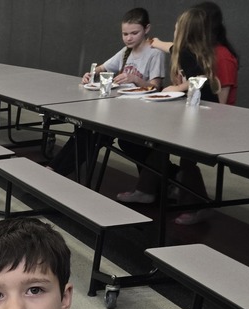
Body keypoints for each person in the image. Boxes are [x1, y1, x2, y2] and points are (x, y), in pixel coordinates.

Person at [116, 7, 223, 224]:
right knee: (158, 147)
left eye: (177, 28)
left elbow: (200, 80)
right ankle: (147, 189)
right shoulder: (188, 52)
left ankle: (199, 204)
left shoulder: (188, 53)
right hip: (191, 111)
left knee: (187, 159)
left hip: (205, 115)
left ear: (187, 32)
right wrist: (155, 42)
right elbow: (170, 46)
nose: (174, 31)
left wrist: (178, 88)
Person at [49, 8, 164, 181]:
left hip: (140, 114)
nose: (129, 38)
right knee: (86, 130)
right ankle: (54, 169)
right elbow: (102, 68)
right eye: (125, 34)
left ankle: (56, 171)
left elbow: (155, 87)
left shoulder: (155, 54)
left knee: (94, 133)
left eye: (134, 33)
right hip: (121, 110)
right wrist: (91, 73)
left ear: (147, 29)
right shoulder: (126, 51)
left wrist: (135, 79)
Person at [151, 1, 238, 105]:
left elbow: (220, 104)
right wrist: (155, 43)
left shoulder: (222, 57)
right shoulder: (194, 51)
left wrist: (178, 88)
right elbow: (172, 47)